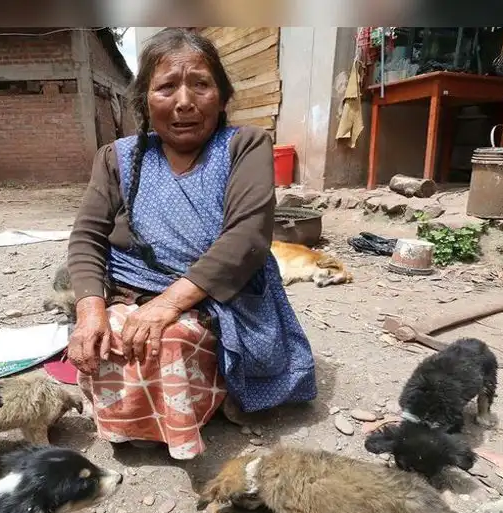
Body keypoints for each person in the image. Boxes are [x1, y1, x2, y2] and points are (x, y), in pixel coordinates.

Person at [66, 28, 317, 460]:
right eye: (166, 87)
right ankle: (135, 418)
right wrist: (90, 311)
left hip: (221, 294)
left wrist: (168, 304)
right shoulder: (116, 158)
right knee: (108, 336)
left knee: (170, 338)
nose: (184, 101)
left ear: (222, 96)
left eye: (200, 84)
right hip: (132, 286)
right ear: (145, 99)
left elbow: (247, 237)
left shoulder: (245, 145)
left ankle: (191, 411)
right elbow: (87, 235)